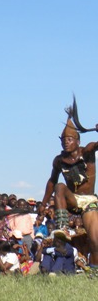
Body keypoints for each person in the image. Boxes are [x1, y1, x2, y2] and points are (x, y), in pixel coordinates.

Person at [42, 115, 98, 275]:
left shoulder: (86, 152)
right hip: (72, 199)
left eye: (69, 139)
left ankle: (94, 271)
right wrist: (44, 203)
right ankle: (63, 227)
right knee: (60, 186)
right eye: (63, 140)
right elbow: (52, 182)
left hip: (89, 201)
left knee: (94, 241)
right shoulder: (59, 160)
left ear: (78, 141)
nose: (66, 142)